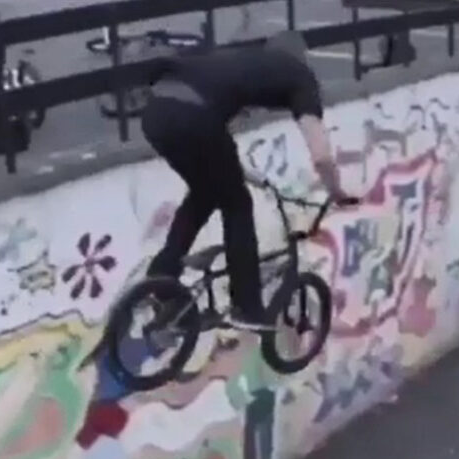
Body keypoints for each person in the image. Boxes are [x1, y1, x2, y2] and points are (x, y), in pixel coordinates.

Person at [141, 31, 350, 332]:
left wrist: (246, 175)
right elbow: (321, 155)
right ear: (302, 59)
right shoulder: (299, 76)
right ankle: (247, 306)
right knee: (237, 205)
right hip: (194, 118)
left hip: (155, 116)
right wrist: (336, 191)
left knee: (205, 192)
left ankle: (163, 275)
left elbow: (217, 149)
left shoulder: (243, 63)